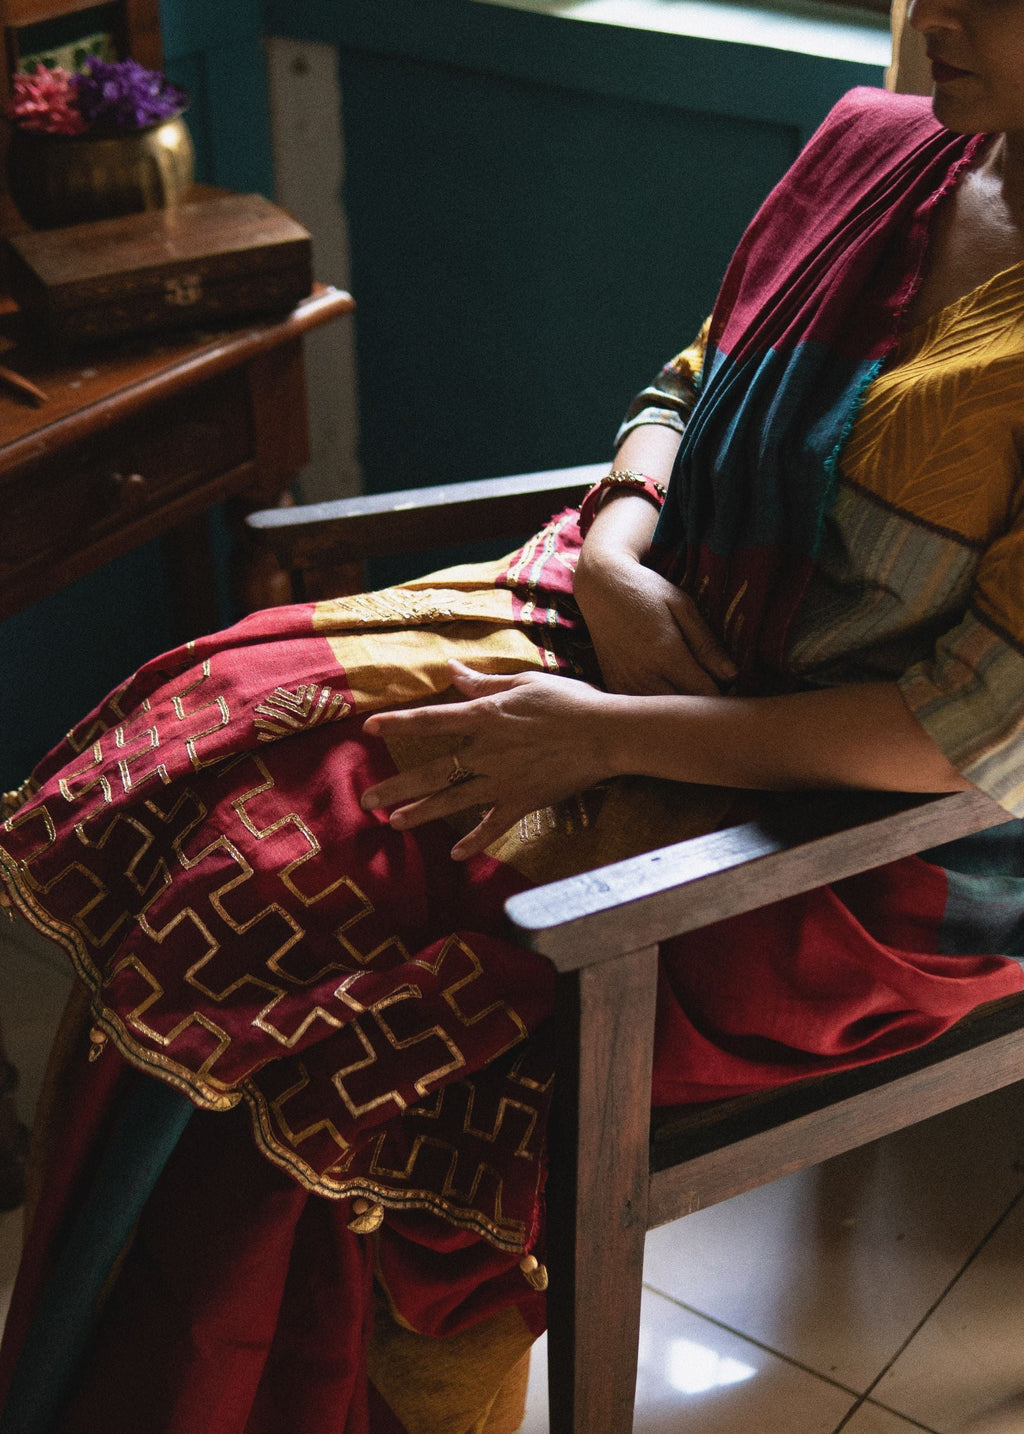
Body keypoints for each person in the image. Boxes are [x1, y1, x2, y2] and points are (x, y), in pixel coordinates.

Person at [2, 0, 1024, 1423]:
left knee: (335, 1007)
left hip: (874, 841)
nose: (939, 12)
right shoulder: (885, 147)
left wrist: (598, 734)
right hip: (644, 618)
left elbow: (968, 734)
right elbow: (690, 381)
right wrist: (615, 552)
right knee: (204, 772)